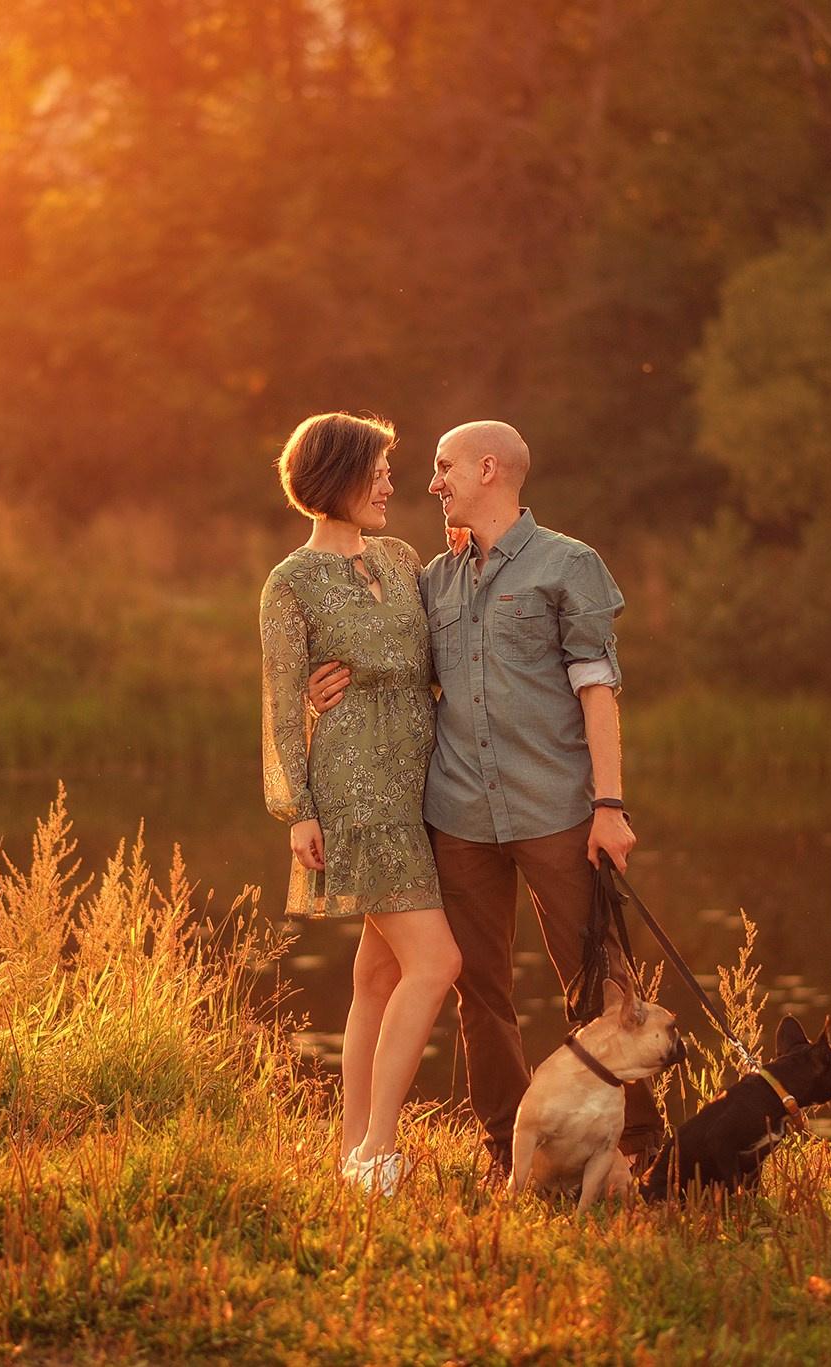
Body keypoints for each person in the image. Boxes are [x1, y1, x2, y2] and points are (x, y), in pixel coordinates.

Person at [308, 419, 656, 1177]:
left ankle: (645, 1150)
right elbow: (380, 655)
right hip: (458, 814)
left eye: (443, 467)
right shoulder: (433, 578)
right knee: (482, 996)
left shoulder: (570, 564)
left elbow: (598, 691)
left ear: (489, 468)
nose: (431, 483)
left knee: (603, 984)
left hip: (557, 809)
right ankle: (509, 1150)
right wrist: (320, 682)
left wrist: (609, 803)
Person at [258, 411, 463, 1196]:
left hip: (420, 781)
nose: (389, 481)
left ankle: (351, 1152)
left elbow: (434, 649)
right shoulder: (290, 582)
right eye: (376, 467)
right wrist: (297, 809)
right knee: (437, 961)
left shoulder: (403, 556)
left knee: (377, 978)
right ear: (336, 474)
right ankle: (379, 1151)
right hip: (354, 791)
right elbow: (281, 702)